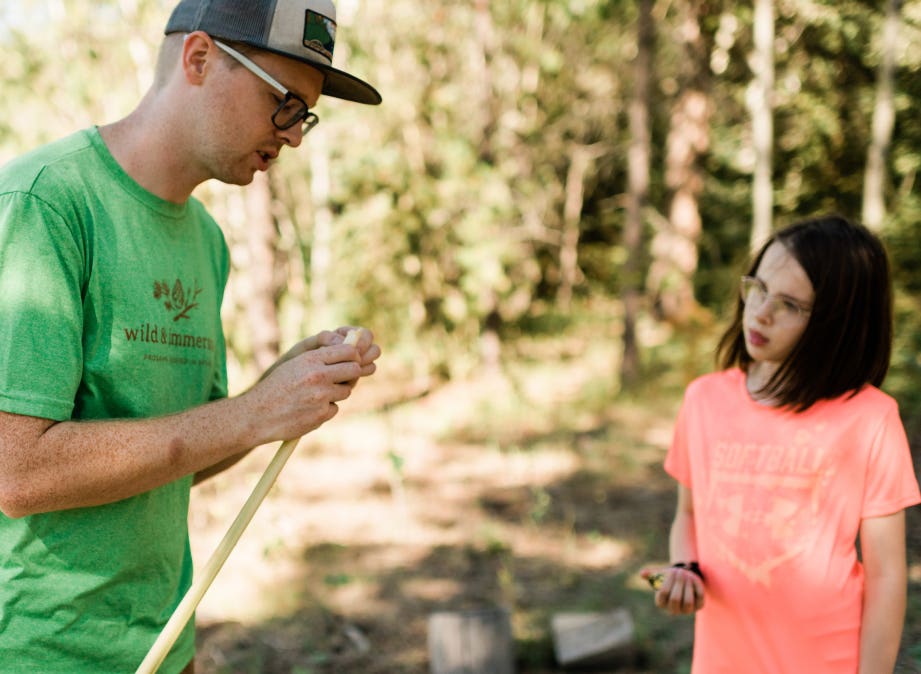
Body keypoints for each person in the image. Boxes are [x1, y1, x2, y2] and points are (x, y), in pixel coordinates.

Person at [0, 1, 382, 672]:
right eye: (284, 102)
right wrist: (253, 413)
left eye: (306, 114)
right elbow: (16, 471)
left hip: (161, 647)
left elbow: (189, 454)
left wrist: (278, 395)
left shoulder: (205, 240)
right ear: (199, 58)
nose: (295, 135)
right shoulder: (45, 205)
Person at [641, 215, 921, 674]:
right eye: (759, 288)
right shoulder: (704, 400)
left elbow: (887, 576)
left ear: (837, 322)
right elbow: (688, 516)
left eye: (790, 304)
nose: (761, 312)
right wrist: (684, 570)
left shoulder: (870, 418)